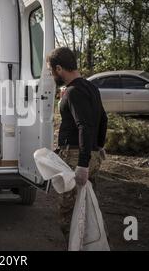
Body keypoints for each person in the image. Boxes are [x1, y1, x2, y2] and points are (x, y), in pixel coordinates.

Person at [46, 47, 108, 241]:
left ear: (58, 68)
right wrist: (99, 145)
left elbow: (84, 125)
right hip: (91, 154)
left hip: (76, 156)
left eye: (51, 71)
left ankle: (76, 245)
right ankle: (90, 244)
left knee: (69, 212)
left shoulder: (73, 91)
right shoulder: (91, 87)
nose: (51, 75)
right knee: (87, 206)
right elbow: (103, 118)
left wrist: (82, 163)